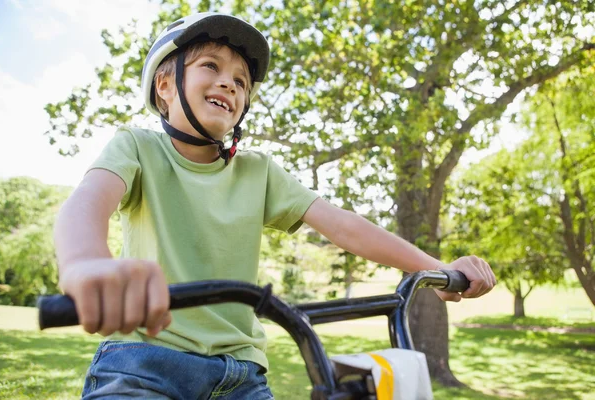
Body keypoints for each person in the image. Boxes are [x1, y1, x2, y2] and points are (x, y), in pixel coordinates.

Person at [54, 12, 497, 399]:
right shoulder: (137, 146)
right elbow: (87, 202)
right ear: (165, 85)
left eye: (241, 81)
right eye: (211, 65)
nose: (229, 81)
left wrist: (434, 269)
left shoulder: (257, 171)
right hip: (144, 361)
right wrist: (86, 263)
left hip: (241, 373)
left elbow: (342, 225)